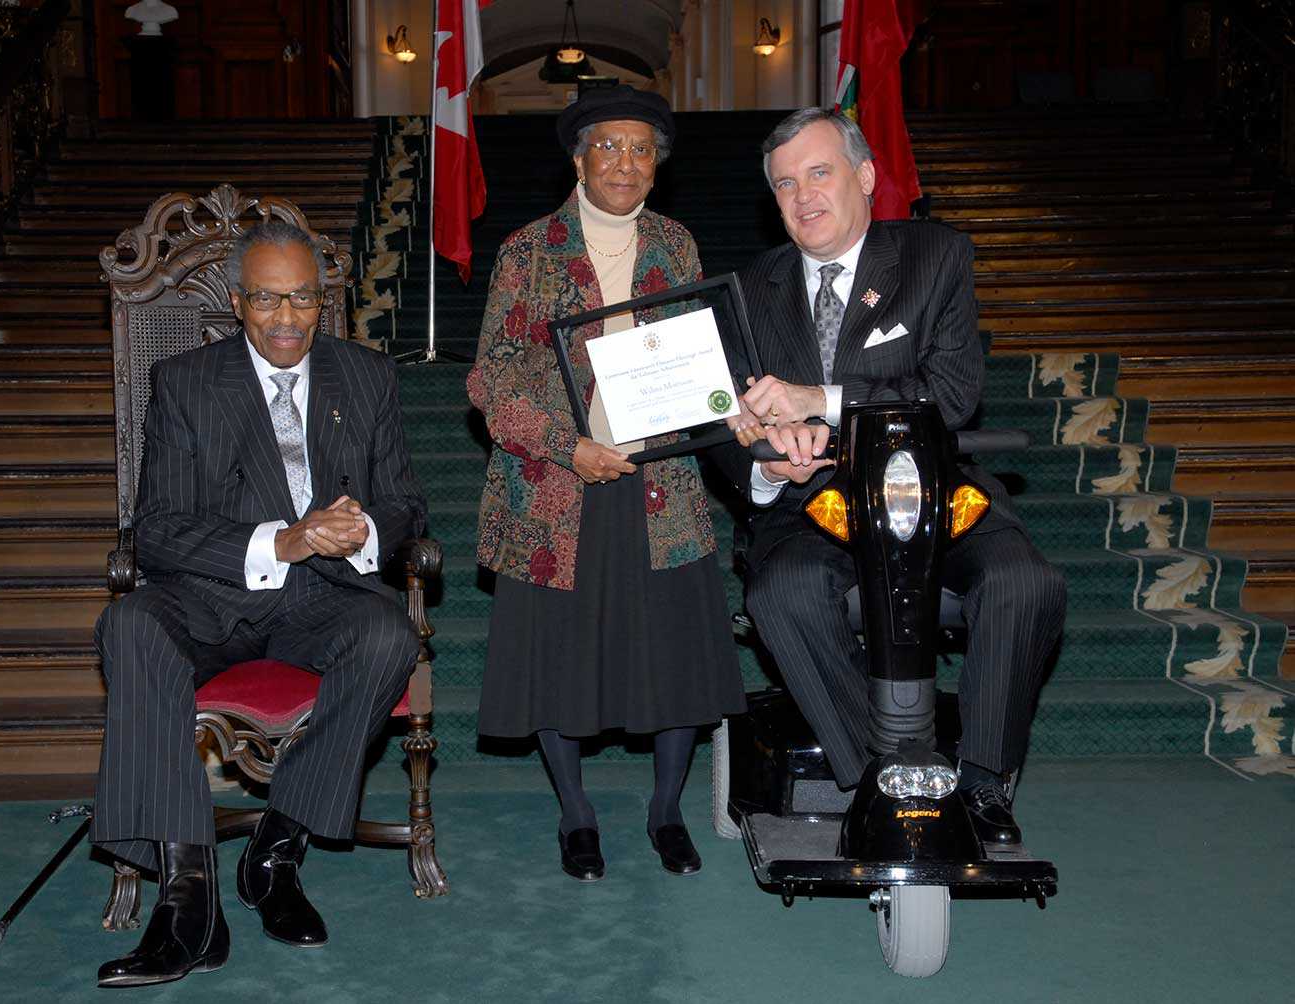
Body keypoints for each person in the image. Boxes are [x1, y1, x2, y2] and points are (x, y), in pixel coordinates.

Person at [715, 108, 1066, 844]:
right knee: (780, 592)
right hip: (816, 505)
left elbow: (954, 393)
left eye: (819, 173)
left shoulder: (935, 257)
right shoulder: (749, 291)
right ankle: (880, 772)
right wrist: (766, 467)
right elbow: (724, 429)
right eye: (785, 184)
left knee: (1025, 582)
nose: (803, 196)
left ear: (866, 175)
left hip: (937, 492)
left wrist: (820, 401)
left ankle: (981, 786)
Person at [91, 219, 426, 988]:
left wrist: (362, 528)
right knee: (128, 622)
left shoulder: (367, 376)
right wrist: (285, 541)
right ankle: (188, 902)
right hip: (214, 595)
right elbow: (160, 529)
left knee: (387, 637)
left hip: (325, 600)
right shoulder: (185, 382)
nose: (286, 318)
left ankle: (276, 848)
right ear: (239, 303)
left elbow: (407, 504)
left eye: (303, 299)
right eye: (269, 299)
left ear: (323, 302)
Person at [467, 85, 745, 883]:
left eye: (641, 149)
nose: (625, 161)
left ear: (657, 165)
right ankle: (577, 815)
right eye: (609, 146)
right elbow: (489, 380)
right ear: (578, 157)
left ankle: (665, 813)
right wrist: (567, 445)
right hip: (561, 489)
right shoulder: (528, 250)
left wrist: (716, 409)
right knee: (560, 662)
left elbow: (696, 358)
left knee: (677, 664)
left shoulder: (676, 244)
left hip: (662, 487)